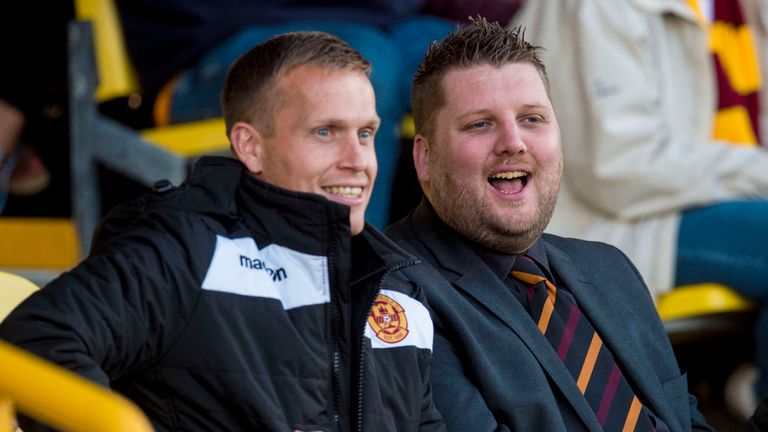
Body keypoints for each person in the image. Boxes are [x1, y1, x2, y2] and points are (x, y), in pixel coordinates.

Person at [0, 31, 444, 431]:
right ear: (250, 146)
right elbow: (38, 338)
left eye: (366, 133)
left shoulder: (399, 287)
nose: (358, 160)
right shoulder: (184, 249)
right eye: (326, 132)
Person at [386, 18, 713, 430]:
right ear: (425, 158)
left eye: (532, 119)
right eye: (480, 124)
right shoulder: (398, 291)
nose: (513, 141)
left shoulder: (610, 269)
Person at [511, 0, 768, 415]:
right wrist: (761, 172)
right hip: (610, 222)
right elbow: (618, 168)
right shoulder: (598, 7)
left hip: (707, 199)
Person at [113, 0, 458, 229]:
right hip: (212, 39)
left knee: (487, 65)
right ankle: (345, 296)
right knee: (356, 71)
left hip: (375, 23)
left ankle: (496, 297)